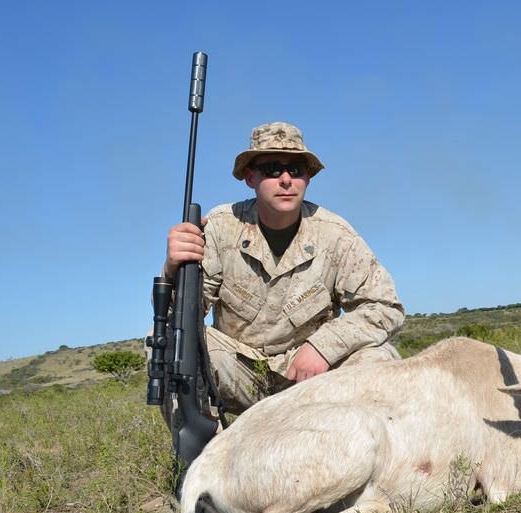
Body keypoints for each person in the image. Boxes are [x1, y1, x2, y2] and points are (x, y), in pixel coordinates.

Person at [160, 121, 404, 427]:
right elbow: (180, 315)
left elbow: (385, 307)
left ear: (309, 178)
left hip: (311, 376)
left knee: (378, 358)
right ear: (250, 177)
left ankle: (358, 461)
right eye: (272, 169)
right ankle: (208, 458)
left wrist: (323, 347)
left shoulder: (337, 235)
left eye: (296, 169)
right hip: (239, 372)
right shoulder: (222, 227)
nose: (286, 180)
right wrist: (172, 267)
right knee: (168, 342)